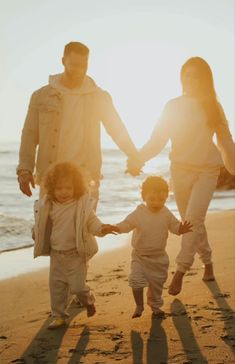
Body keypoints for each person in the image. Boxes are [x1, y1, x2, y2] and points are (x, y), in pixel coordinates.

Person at [128, 57, 235, 295]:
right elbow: (158, 140)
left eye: (196, 75)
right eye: (186, 75)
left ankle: (180, 272)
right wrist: (138, 158)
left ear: (205, 79)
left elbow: (226, 141)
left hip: (207, 170)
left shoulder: (213, 107)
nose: (190, 80)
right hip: (180, 171)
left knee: (192, 221)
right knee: (192, 221)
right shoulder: (172, 106)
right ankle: (207, 261)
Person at [17, 41, 141, 201]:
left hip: (86, 176)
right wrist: (24, 170)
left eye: (83, 65)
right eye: (74, 65)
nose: (79, 70)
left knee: (86, 225)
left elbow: (116, 129)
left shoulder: (99, 96)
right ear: (63, 62)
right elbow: (29, 134)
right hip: (52, 175)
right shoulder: (41, 96)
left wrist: (133, 155)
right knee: (49, 226)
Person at [33, 162, 110, 329]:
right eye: (59, 188)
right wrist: (35, 232)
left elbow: (92, 222)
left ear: (76, 186)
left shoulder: (81, 205)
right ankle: (59, 316)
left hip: (76, 253)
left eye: (68, 188)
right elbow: (41, 223)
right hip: (57, 254)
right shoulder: (48, 204)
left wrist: (102, 229)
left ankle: (88, 300)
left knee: (77, 287)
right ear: (52, 188)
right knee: (57, 288)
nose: (64, 192)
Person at [105, 176, 192, 318]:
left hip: (159, 258)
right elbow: (126, 224)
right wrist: (116, 227)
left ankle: (155, 306)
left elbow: (175, 227)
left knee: (156, 285)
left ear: (166, 198)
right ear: (143, 197)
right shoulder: (139, 213)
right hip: (140, 257)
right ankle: (139, 305)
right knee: (136, 281)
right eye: (152, 199)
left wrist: (181, 229)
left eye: (161, 200)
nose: (157, 203)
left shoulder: (166, 213)